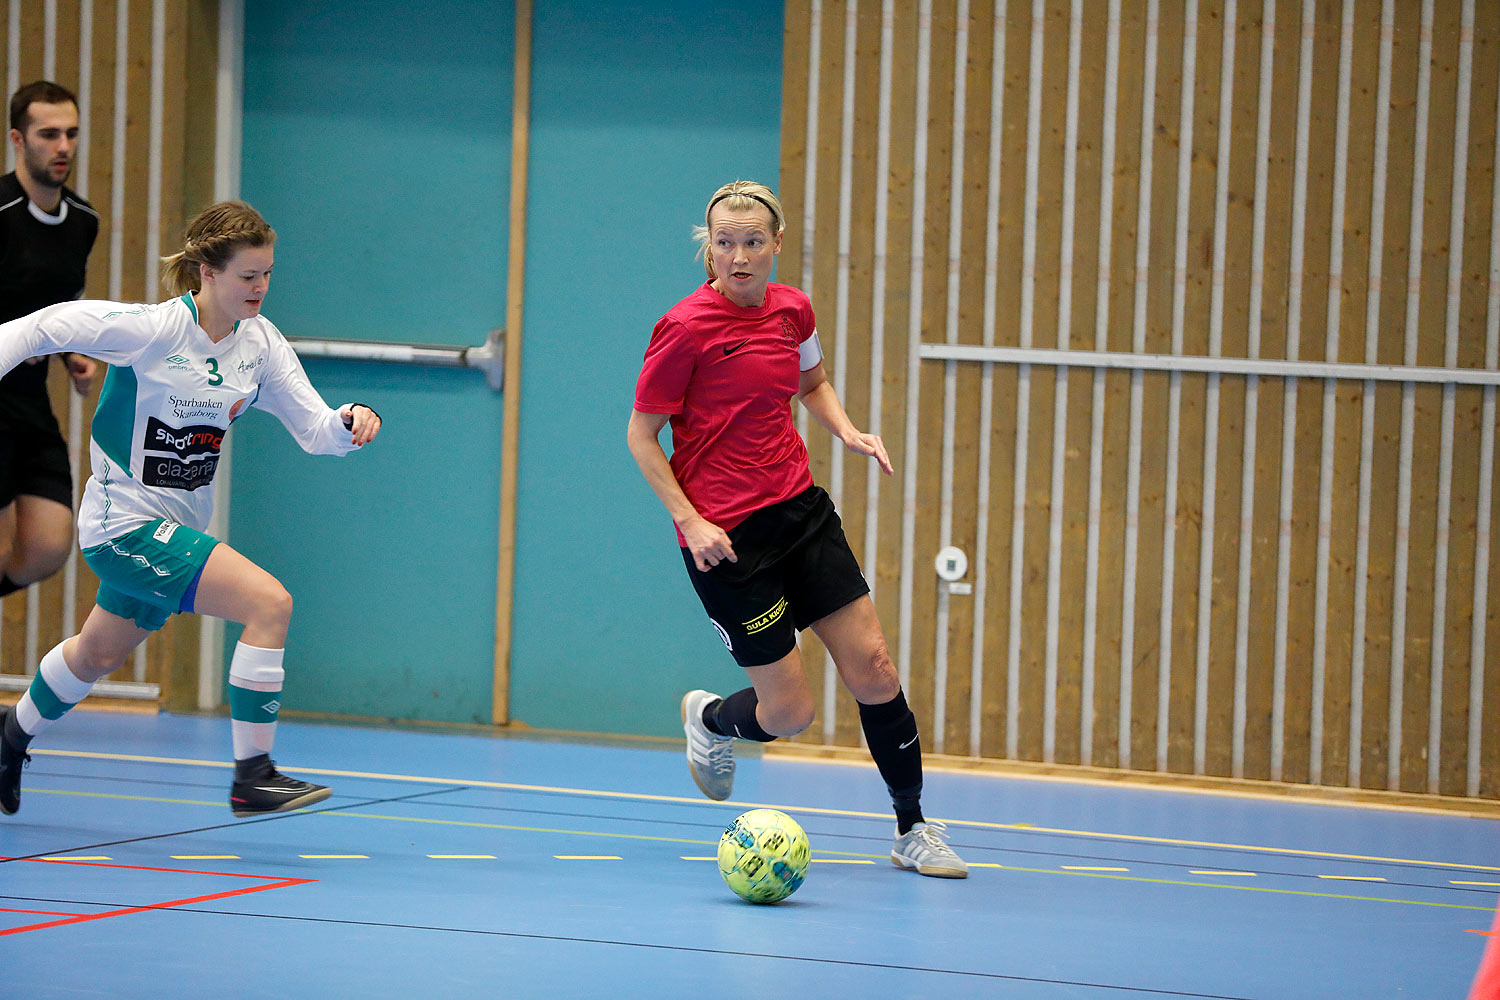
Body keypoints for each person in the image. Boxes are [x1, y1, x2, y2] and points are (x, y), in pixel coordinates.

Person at [627, 180, 967, 878]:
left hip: (800, 511)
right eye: (725, 242)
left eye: (754, 242)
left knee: (874, 669)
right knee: (790, 715)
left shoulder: (791, 310)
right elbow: (641, 435)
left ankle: (913, 829)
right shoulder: (684, 328)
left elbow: (812, 384)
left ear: (776, 244)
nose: (739, 256)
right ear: (709, 248)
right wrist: (690, 521)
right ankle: (713, 720)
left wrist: (847, 431)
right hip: (727, 540)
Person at [0, 200, 383, 818]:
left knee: (96, 654)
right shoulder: (152, 330)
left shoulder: (260, 346)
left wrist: (349, 421)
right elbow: (42, 326)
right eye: (247, 276)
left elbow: (315, 430)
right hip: (124, 525)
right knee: (270, 603)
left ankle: (9, 737)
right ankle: (252, 775)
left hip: (176, 528)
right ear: (207, 272)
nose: (260, 288)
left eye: (267, 275)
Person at [0, 81, 102, 598]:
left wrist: (73, 355)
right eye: (48, 134)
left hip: (29, 399)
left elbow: (60, 305)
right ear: (18, 140)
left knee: (47, 543)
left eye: (71, 134)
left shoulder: (83, 222)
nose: (62, 146)